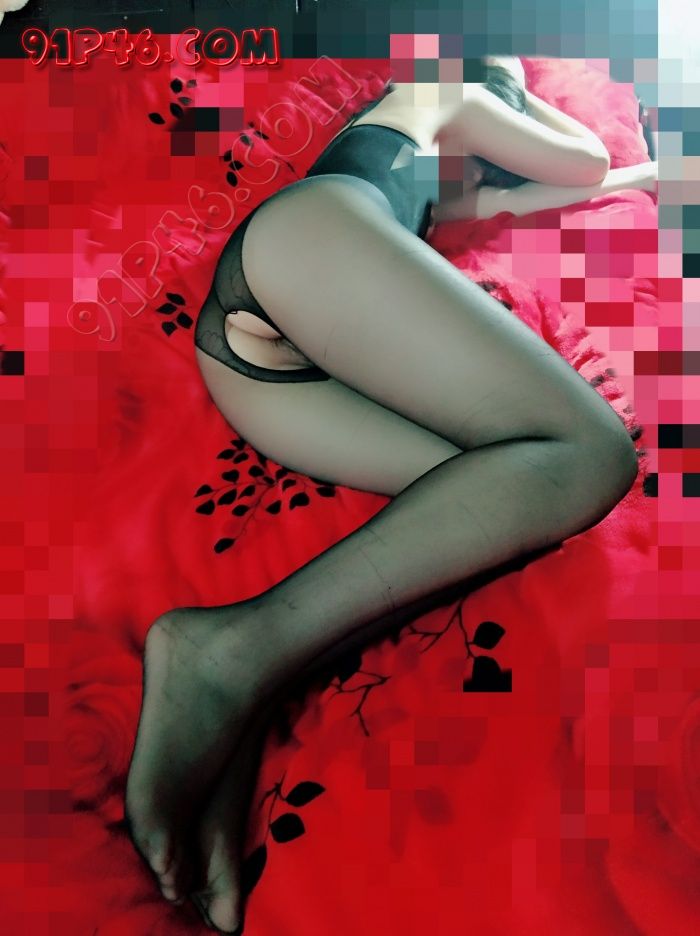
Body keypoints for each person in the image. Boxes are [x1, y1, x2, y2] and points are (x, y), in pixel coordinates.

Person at [125, 56, 652, 934]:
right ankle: (225, 655)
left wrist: (656, 178)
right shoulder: (448, 92)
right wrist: (517, 85)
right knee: (591, 454)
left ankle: (248, 707)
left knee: (497, 504)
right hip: (310, 243)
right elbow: (586, 160)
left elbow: (568, 191)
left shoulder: (426, 158)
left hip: (259, 364)